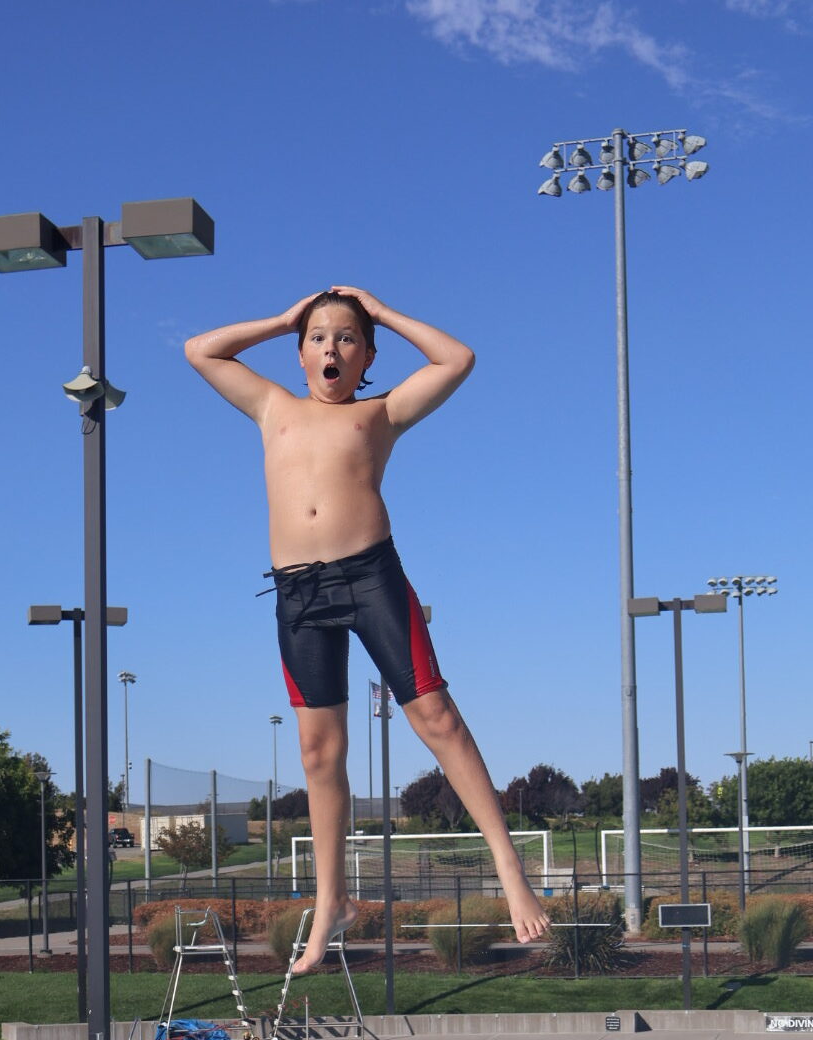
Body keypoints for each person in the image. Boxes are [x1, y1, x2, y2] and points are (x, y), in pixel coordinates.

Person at [185, 286, 550, 972]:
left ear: (368, 357)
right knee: (318, 753)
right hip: (298, 592)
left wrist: (379, 311)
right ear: (300, 354)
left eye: (348, 338)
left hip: (370, 577)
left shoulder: (380, 414)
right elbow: (200, 350)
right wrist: (284, 318)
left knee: (436, 716)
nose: (332, 347)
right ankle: (332, 901)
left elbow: (457, 358)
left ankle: (508, 864)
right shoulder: (271, 406)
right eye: (318, 337)